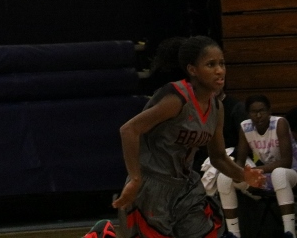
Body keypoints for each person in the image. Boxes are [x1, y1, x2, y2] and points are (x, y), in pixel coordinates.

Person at [112, 35, 265, 238]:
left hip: (185, 187)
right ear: (193, 69)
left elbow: (218, 157)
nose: (219, 70)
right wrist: (135, 178)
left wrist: (243, 176)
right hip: (152, 184)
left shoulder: (216, 107)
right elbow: (129, 130)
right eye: (211, 64)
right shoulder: (177, 99)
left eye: (221, 63)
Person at [216, 95, 297, 238]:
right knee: (224, 177)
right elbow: (240, 160)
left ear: (269, 111)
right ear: (248, 113)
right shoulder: (245, 127)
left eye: (262, 111)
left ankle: (290, 232)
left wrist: (252, 171)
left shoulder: (280, 123)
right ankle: (233, 234)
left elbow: (286, 162)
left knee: (279, 173)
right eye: (254, 112)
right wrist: (238, 174)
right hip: (266, 175)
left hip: (291, 173)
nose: (258, 115)